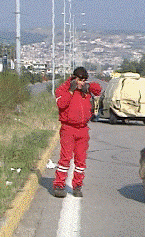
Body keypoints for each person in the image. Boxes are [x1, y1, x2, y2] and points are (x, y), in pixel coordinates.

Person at [53, 67, 102, 198]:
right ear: (74, 78)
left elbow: (98, 89)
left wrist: (88, 86)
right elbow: (62, 104)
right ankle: (59, 185)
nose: (82, 82)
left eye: (84, 80)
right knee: (65, 158)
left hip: (83, 129)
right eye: (80, 80)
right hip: (68, 129)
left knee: (81, 161)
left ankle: (77, 186)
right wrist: (70, 90)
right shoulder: (63, 89)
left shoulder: (85, 89)